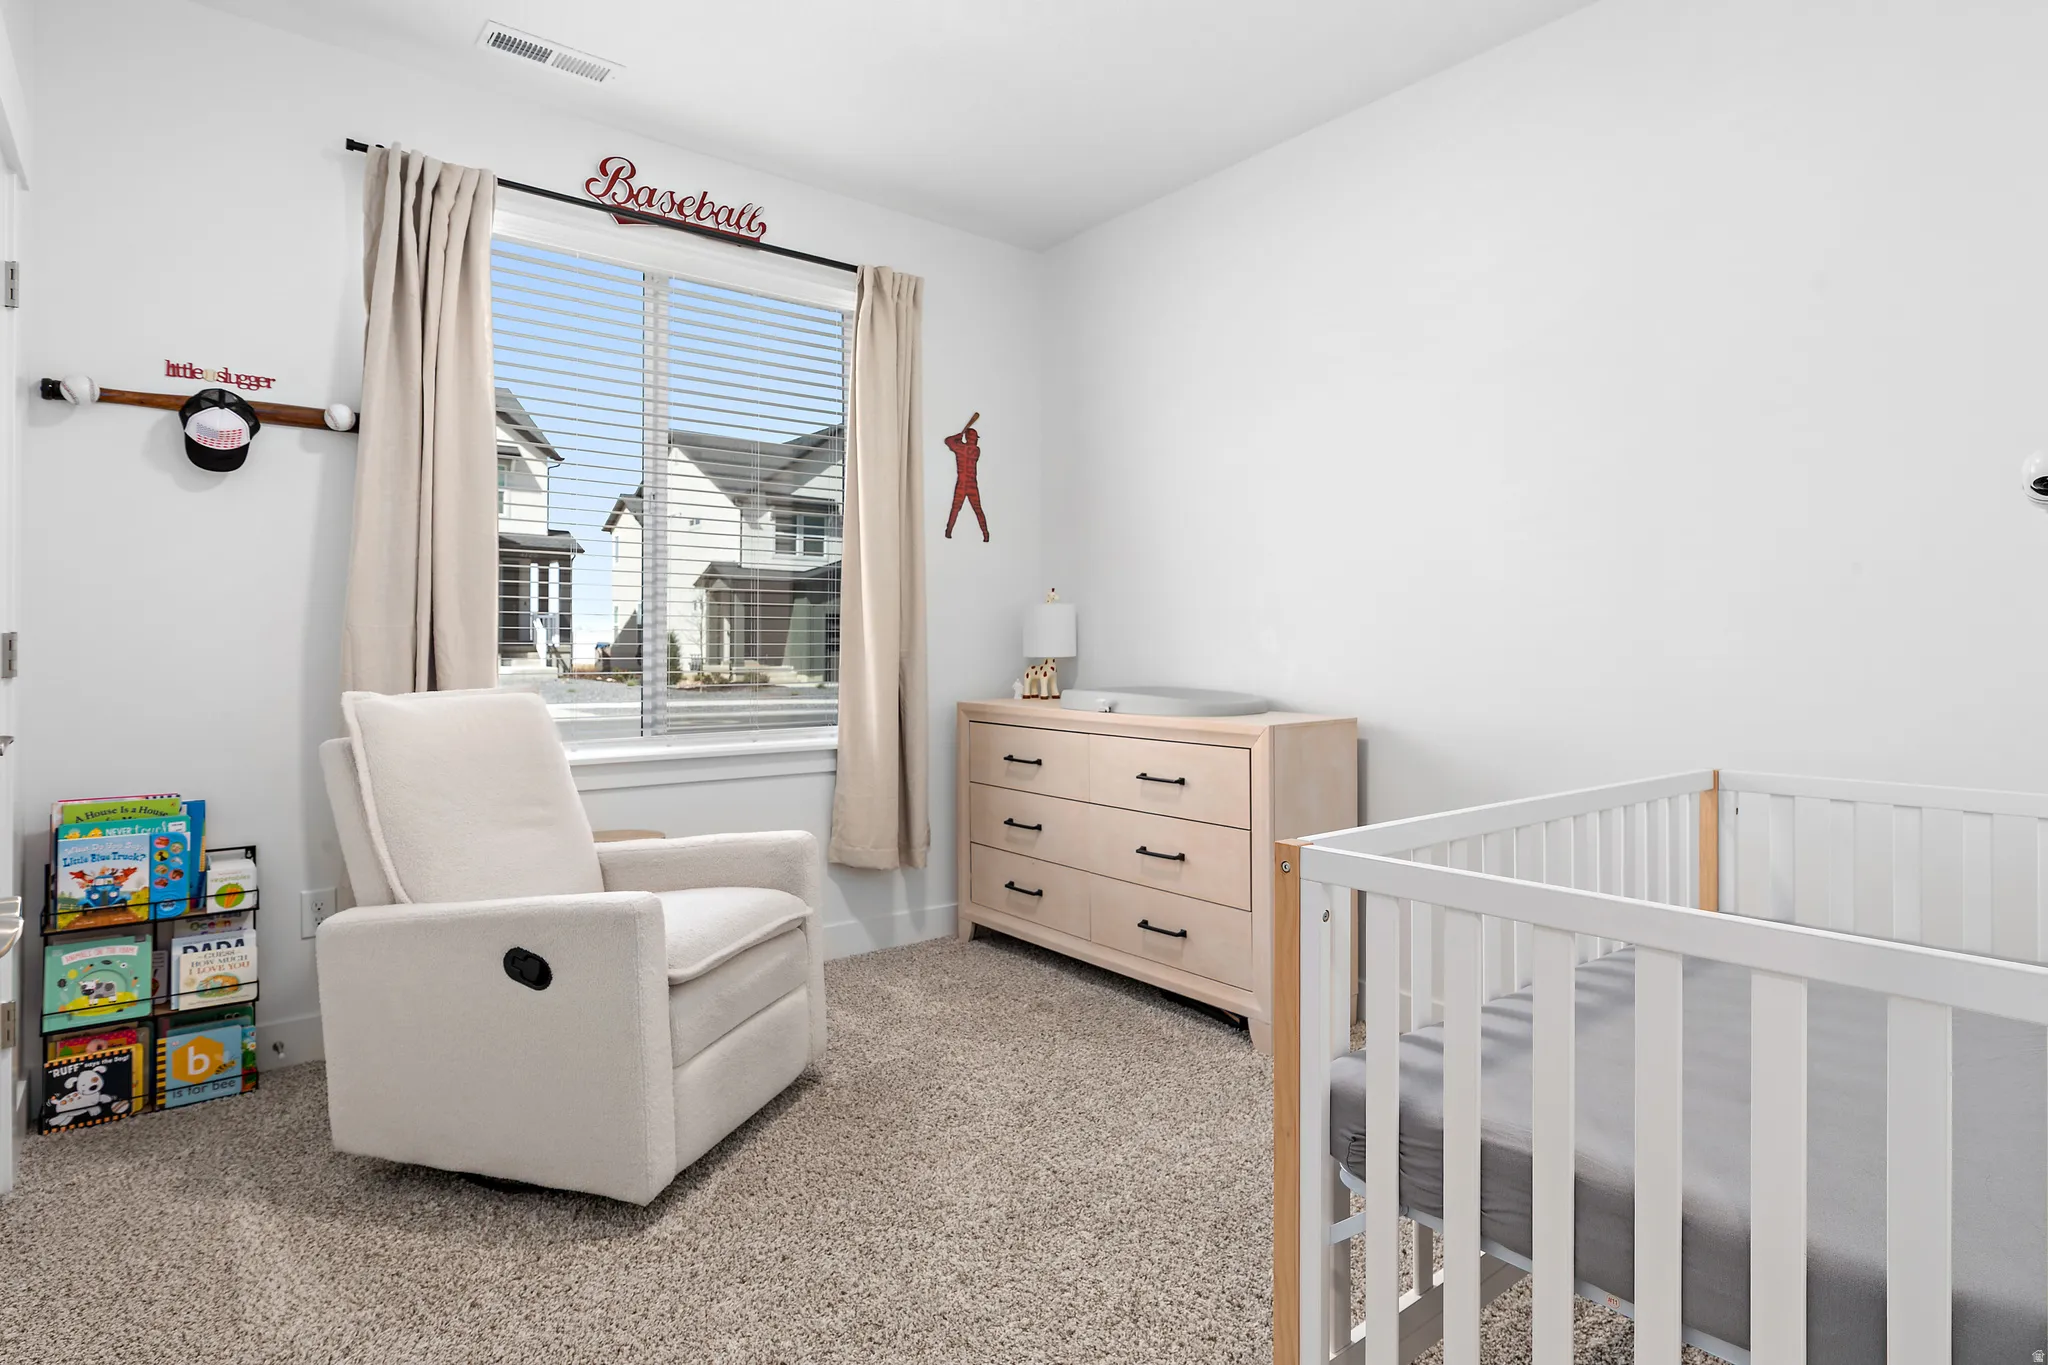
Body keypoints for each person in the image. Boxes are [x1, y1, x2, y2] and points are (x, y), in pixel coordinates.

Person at [944, 412, 988, 541]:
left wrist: (958, 436)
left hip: (962, 483)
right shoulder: (976, 451)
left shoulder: (961, 448)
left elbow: (948, 441)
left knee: (956, 508)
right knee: (978, 509)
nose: (976, 440)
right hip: (972, 484)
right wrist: (960, 437)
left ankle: (948, 531)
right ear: (973, 438)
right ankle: (985, 534)